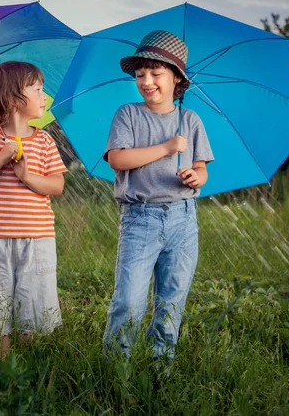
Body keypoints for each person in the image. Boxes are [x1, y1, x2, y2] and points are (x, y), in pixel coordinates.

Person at [103, 30, 214, 360]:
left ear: (177, 78)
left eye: (156, 74)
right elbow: (118, 159)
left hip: (182, 220)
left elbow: (202, 170)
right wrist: (166, 148)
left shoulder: (190, 120)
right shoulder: (129, 114)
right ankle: (116, 371)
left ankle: (159, 370)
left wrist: (197, 176)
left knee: (171, 299)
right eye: (140, 75)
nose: (147, 81)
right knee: (129, 300)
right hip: (141, 219)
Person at [0, 61, 67, 357]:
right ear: (12, 100)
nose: (44, 96)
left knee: (31, 304)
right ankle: (2, 366)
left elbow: (56, 186)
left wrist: (26, 176)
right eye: (36, 90)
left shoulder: (44, 140)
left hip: (36, 238)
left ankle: (27, 365)